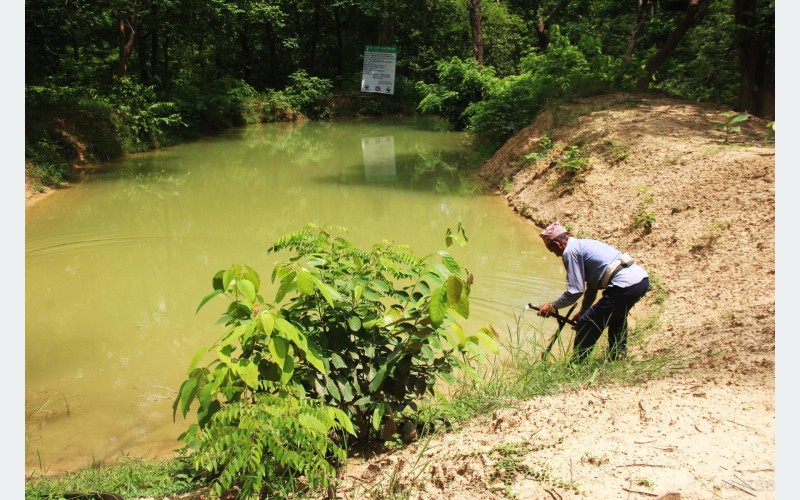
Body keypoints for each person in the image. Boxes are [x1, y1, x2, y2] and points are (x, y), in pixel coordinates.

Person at [536, 221, 649, 362]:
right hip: (640, 281)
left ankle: (576, 367)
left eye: (553, 250)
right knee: (616, 318)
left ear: (558, 244)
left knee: (587, 323)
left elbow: (575, 290)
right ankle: (618, 357)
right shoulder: (583, 244)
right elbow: (592, 286)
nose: (557, 255)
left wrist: (553, 306)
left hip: (624, 285)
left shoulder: (570, 252)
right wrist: (584, 310)